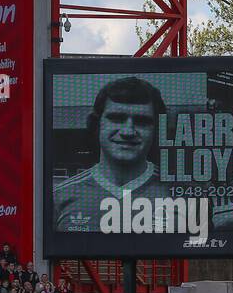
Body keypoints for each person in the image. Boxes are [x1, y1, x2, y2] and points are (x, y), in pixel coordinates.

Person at [52, 76, 172, 230]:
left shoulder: (181, 194)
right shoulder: (59, 196)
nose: (128, 131)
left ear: (157, 129)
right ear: (97, 124)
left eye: (142, 121)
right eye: (116, 118)